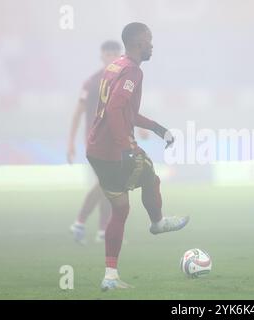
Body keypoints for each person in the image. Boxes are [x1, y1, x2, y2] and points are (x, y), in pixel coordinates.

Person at [86, 22, 189, 290]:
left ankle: (110, 276)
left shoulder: (116, 66)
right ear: (137, 43)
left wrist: (156, 128)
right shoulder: (132, 71)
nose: (152, 44)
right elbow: (116, 108)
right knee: (151, 178)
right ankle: (157, 222)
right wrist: (126, 147)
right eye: (148, 39)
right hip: (112, 150)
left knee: (120, 209)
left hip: (96, 149)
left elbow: (122, 109)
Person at [67, 40, 121, 244]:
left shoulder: (122, 81)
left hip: (114, 140)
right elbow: (77, 114)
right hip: (95, 140)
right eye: (108, 53)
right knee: (107, 183)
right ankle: (81, 222)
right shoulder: (92, 82)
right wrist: (71, 143)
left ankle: (100, 231)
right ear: (102, 56)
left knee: (108, 186)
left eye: (115, 53)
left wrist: (140, 128)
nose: (112, 57)